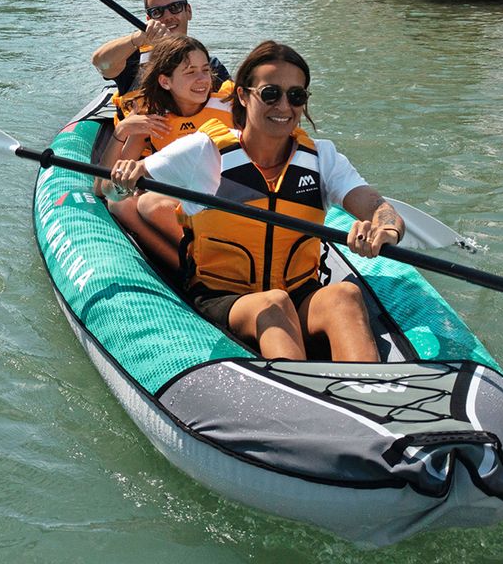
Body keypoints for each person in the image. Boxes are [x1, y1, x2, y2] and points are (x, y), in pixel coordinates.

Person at [109, 41, 405, 363]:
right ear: (243, 96)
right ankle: (301, 396)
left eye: (296, 96)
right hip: (224, 297)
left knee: (344, 295)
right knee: (272, 302)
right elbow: (116, 191)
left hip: (300, 293)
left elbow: (377, 207)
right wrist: (124, 176)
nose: (284, 106)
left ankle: (368, 392)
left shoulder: (322, 158)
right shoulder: (202, 152)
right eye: (270, 94)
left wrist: (385, 231)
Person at [99, 36, 235, 269]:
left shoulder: (231, 104)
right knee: (120, 204)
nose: (203, 80)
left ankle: (208, 263)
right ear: (165, 81)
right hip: (184, 205)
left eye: (205, 70)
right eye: (190, 72)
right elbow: (105, 189)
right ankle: (188, 268)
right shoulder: (152, 118)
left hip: (230, 198)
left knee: (151, 204)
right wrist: (121, 131)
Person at [90, 0, 230, 116]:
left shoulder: (210, 66)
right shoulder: (132, 60)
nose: (167, 17)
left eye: (175, 8)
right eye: (157, 12)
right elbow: (101, 62)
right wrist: (138, 38)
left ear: (188, 11)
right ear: (148, 19)